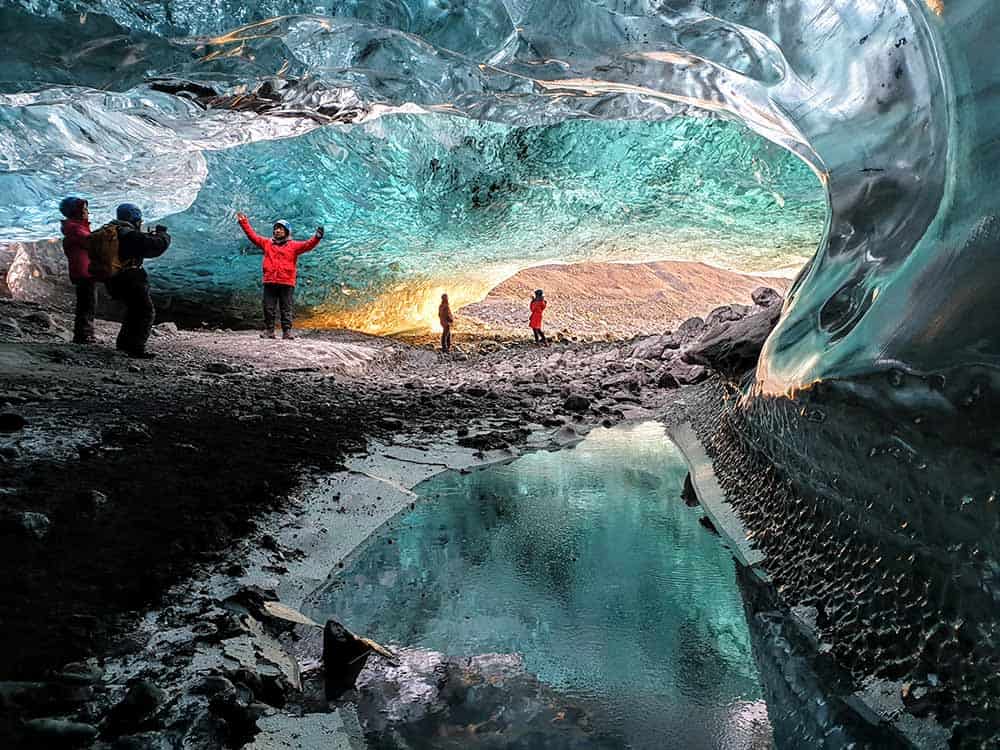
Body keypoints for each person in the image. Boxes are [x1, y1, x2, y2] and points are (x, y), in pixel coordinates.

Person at [236, 212, 324, 339]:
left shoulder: (294, 246)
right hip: (270, 281)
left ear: (287, 232)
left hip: (286, 282)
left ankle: (286, 332)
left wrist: (317, 237)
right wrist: (244, 222)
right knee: (268, 307)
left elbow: (307, 245)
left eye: (280, 229)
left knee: (286, 308)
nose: (277, 231)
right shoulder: (267, 243)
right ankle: (269, 331)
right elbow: (253, 236)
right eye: (276, 229)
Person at [105, 203, 171, 358]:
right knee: (144, 312)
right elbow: (155, 246)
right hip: (130, 278)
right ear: (133, 218)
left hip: (114, 278)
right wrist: (163, 235)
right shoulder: (128, 234)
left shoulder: (112, 230)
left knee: (133, 311)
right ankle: (135, 348)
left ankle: (124, 345)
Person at [59, 197, 96, 344]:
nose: (87, 212)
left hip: (82, 271)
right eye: (85, 209)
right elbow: (91, 242)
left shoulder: (74, 227)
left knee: (87, 303)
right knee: (87, 304)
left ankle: (85, 334)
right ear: (77, 212)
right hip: (84, 272)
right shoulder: (76, 229)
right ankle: (84, 335)